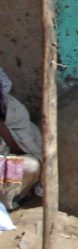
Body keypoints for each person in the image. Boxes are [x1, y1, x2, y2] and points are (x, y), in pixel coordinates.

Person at [0, 67, 42, 212]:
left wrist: (4, 131)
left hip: (3, 170)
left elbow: (19, 149)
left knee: (30, 166)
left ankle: (8, 201)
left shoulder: (15, 113)